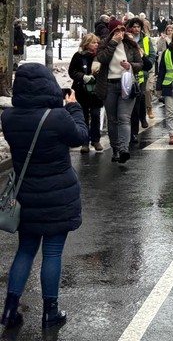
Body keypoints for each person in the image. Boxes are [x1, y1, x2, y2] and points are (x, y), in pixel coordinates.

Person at [0, 65, 88, 330]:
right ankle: (50, 312)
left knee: (25, 250)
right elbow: (81, 136)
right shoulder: (58, 117)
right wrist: (73, 107)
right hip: (58, 195)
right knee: (52, 253)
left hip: (26, 195)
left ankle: (9, 310)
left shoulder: (9, 118)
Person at [94, 20, 143, 163]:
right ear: (111, 33)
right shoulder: (105, 44)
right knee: (113, 119)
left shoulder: (130, 44)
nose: (120, 34)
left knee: (124, 118)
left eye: (122, 31)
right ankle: (115, 148)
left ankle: (123, 149)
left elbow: (140, 64)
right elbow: (102, 58)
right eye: (116, 31)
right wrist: (113, 43)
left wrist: (130, 65)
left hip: (126, 84)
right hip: (109, 84)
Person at [67, 33, 104, 152]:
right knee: (83, 116)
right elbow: (72, 71)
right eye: (93, 43)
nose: (96, 45)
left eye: (97, 43)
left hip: (96, 90)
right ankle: (85, 142)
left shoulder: (100, 56)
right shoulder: (78, 56)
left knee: (95, 114)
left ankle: (96, 140)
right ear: (86, 44)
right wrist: (83, 77)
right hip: (81, 90)